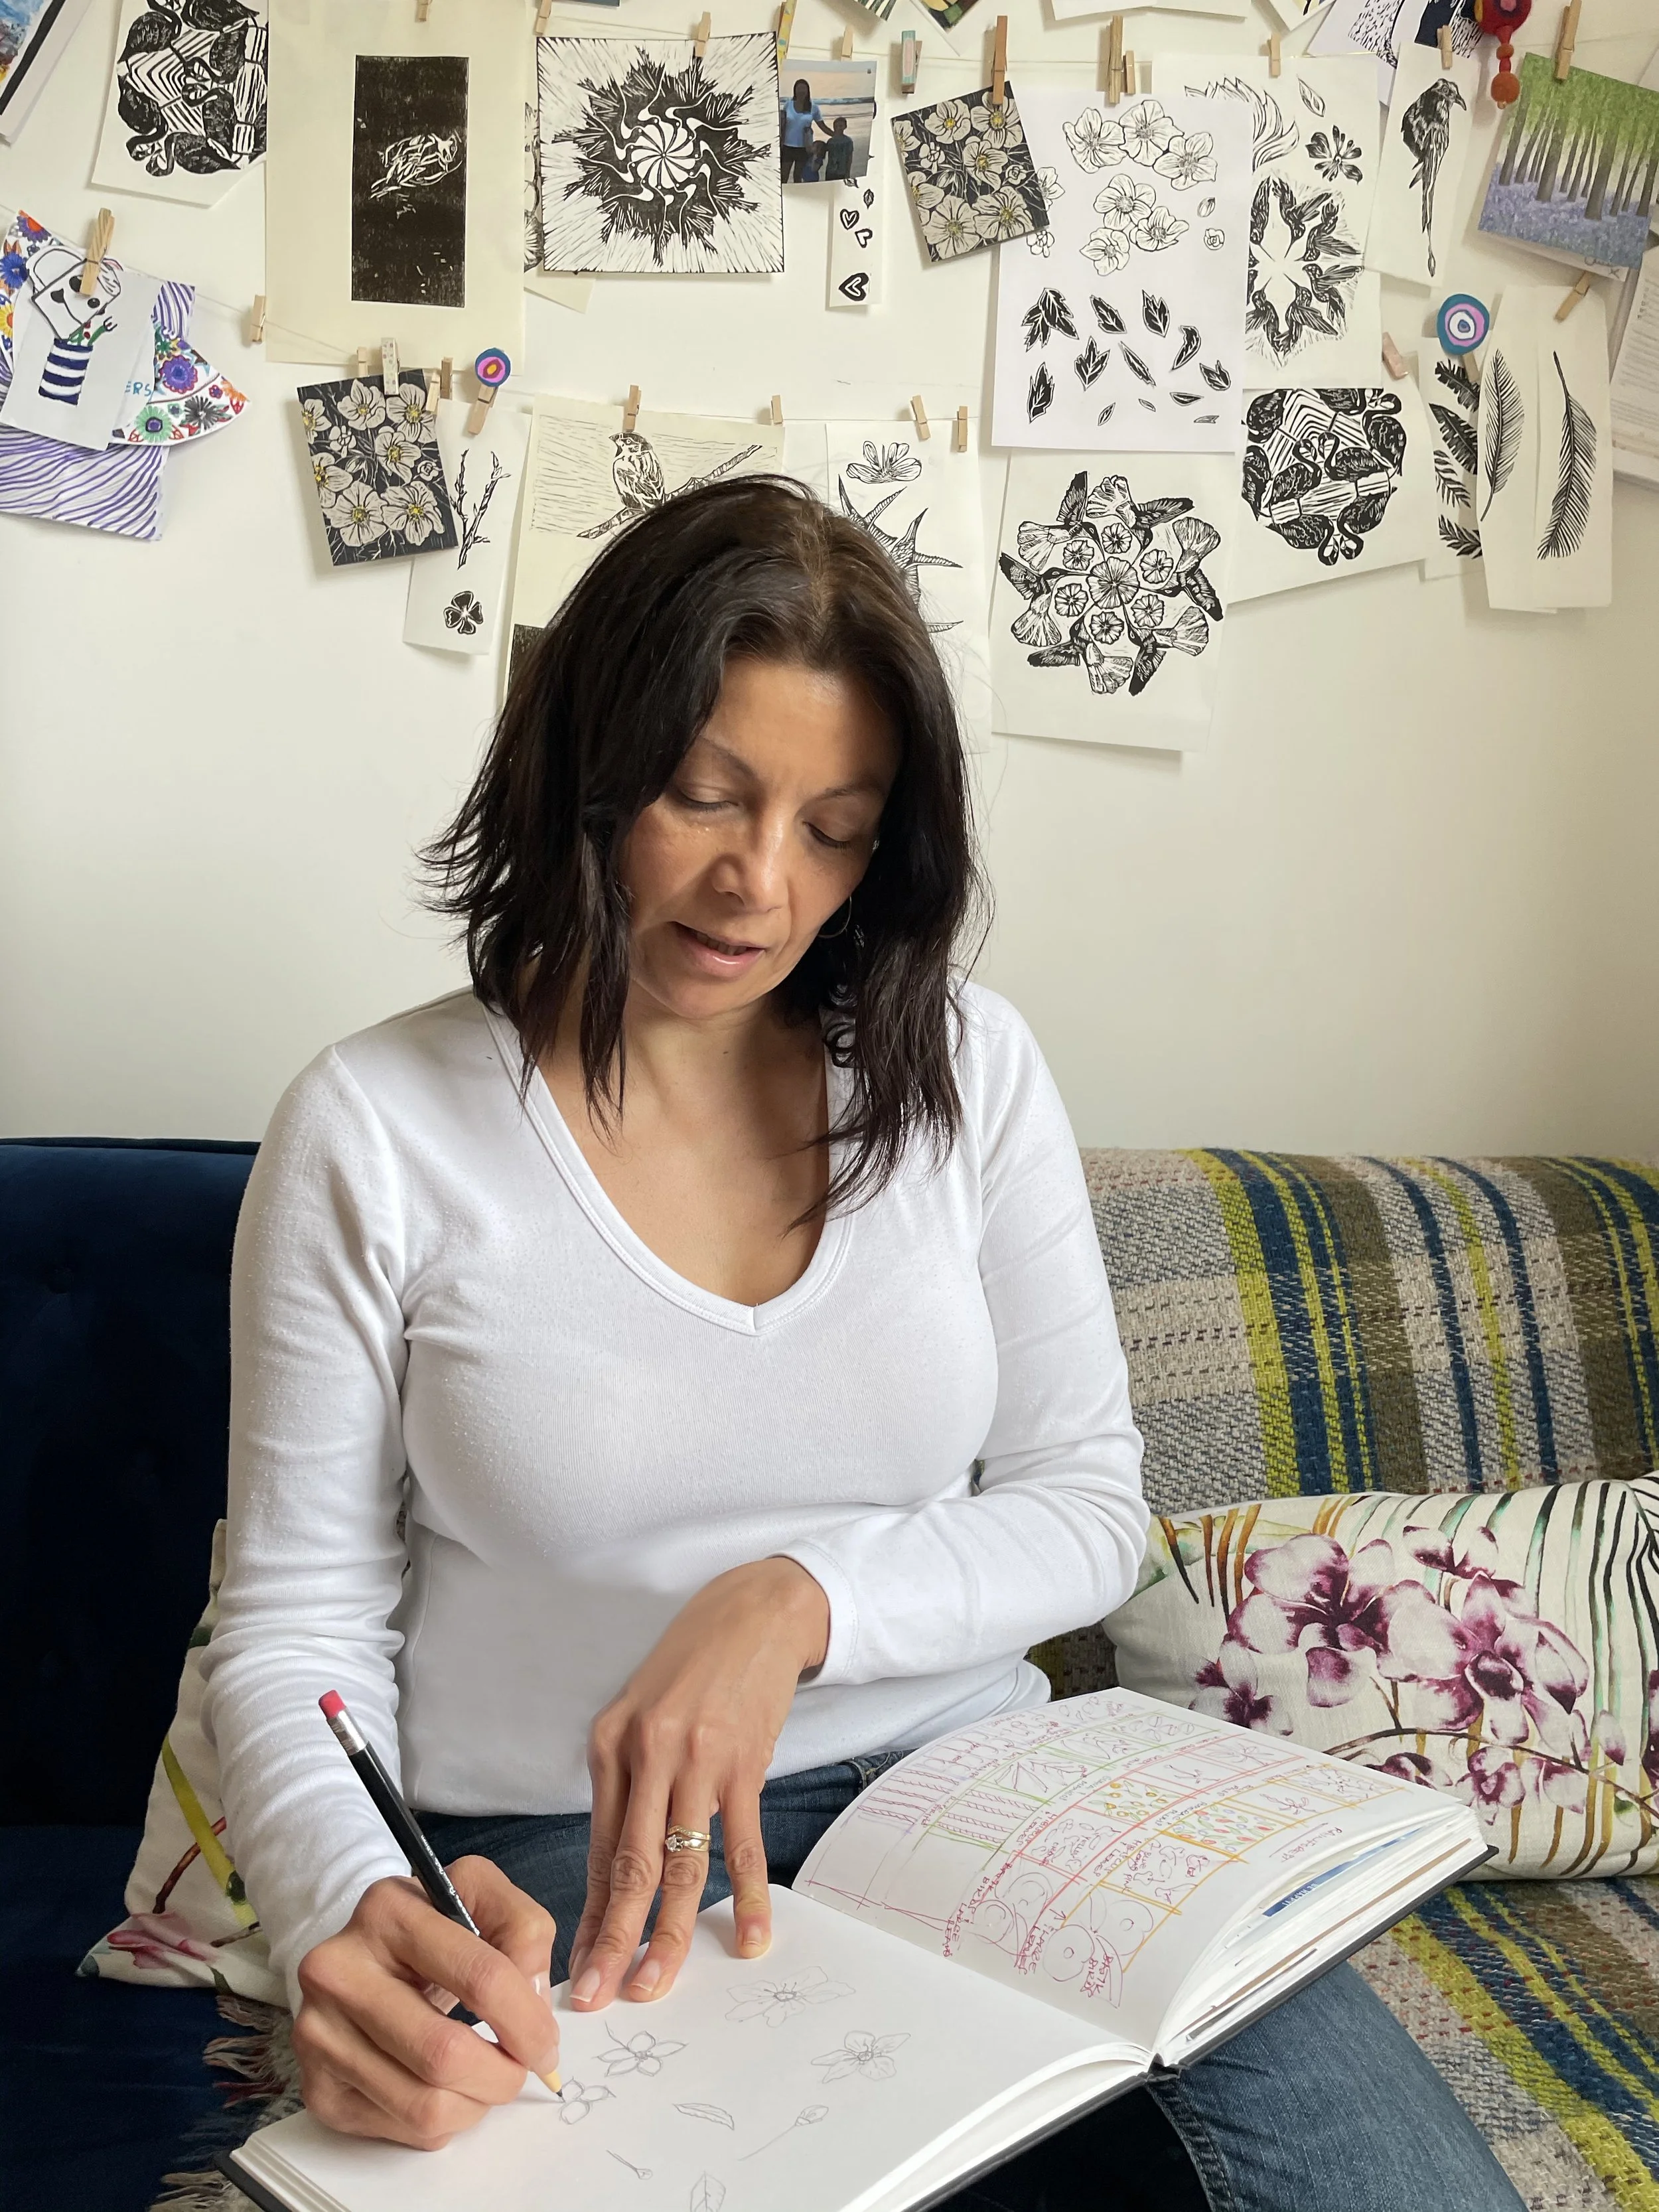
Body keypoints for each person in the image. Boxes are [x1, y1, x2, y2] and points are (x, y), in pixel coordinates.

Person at [201, 479, 1524, 2212]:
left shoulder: (967, 1066)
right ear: (584, 765)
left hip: (998, 1799)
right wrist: (339, 1901)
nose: (764, 881)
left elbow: (1082, 1507)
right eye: (705, 796)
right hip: (573, 1852)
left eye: (837, 824)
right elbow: (295, 1614)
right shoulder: (375, 1127)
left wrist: (796, 1600)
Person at [779, 76, 830, 183]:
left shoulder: (813, 108)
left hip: (804, 148)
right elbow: (782, 124)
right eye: (799, 89)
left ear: (808, 91)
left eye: (804, 89)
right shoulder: (788, 105)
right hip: (788, 146)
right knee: (784, 176)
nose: (801, 91)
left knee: (798, 177)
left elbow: (822, 125)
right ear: (795, 90)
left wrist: (836, 135)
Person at [824, 116, 855, 183]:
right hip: (830, 170)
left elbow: (850, 157)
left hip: (842, 171)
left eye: (841, 126)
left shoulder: (848, 141)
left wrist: (848, 172)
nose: (839, 128)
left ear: (845, 127)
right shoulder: (831, 141)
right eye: (836, 126)